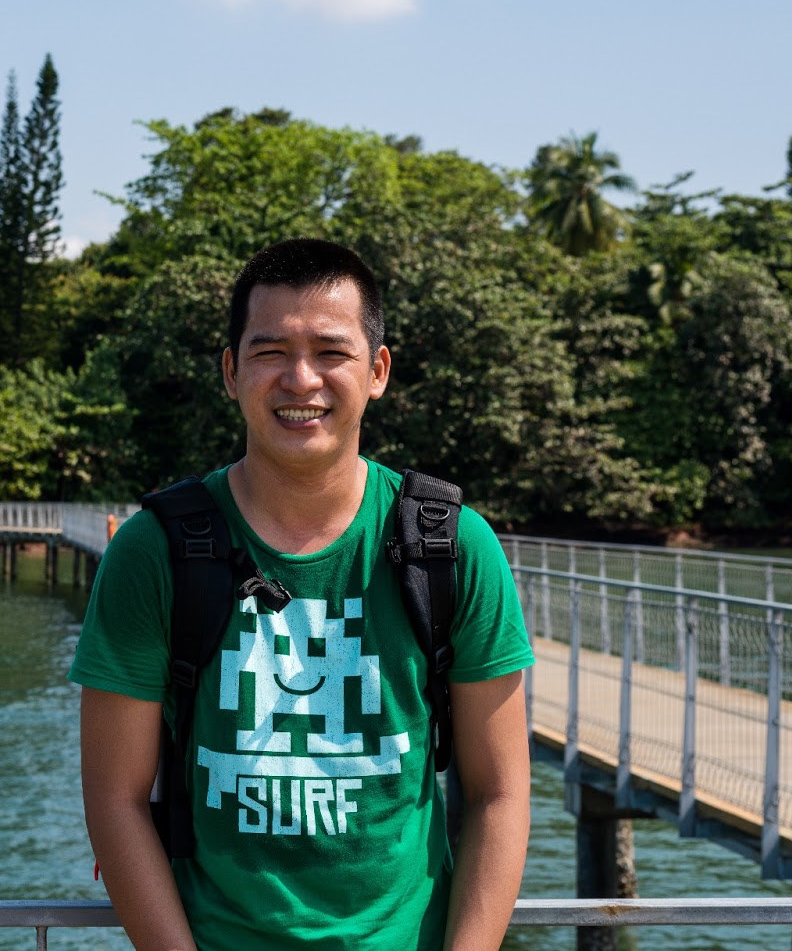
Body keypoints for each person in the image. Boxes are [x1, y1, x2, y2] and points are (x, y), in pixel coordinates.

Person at [70, 239, 533, 951]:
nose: (300, 379)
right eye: (270, 352)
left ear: (377, 371)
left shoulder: (450, 546)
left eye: (331, 352)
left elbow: (499, 793)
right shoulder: (154, 550)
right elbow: (115, 798)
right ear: (231, 372)